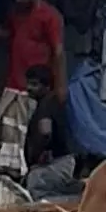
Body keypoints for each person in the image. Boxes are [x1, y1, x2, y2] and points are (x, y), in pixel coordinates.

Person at [0, 0, 64, 180]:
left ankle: (26, 171)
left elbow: (58, 52)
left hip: (37, 88)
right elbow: (5, 34)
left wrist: (60, 86)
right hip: (13, 85)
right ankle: (7, 172)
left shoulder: (49, 16)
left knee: (36, 133)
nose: (18, 0)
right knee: (4, 132)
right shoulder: (15, 14)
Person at [22, 64, 81, 201]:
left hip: (55, 163)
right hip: (62, 162)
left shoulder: (46, 105)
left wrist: (38, 154)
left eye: (34, 84)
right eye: (29, 83)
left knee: (40, 194)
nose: (29, 88)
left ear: (47, 87)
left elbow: (45, 131)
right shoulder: (52, 103)